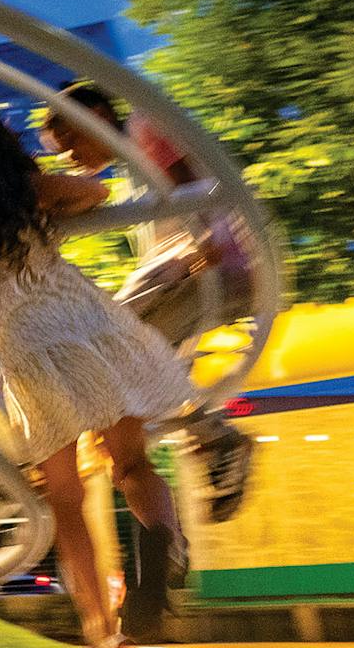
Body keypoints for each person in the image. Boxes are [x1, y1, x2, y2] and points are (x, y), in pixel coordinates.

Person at [0, 97, 190, 648]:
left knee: (66, 501)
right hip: (89, 323)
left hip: (29, 347)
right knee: (133, 466)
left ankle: (105, 637)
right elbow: (98, 195)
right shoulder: (30, 188)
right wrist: (43, 196)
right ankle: (162, 541)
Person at [39, 82, 257, 522]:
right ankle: (211, 442)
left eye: (71, 143)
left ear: (98, 115)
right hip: (194, 272)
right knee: (132, 363)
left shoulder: (144, 127)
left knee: (111, 340)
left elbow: (193, 186)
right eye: (62, 153)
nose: (70, 159)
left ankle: (215, 441)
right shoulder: (133, 164)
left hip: (214, 269)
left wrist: (204, 242)